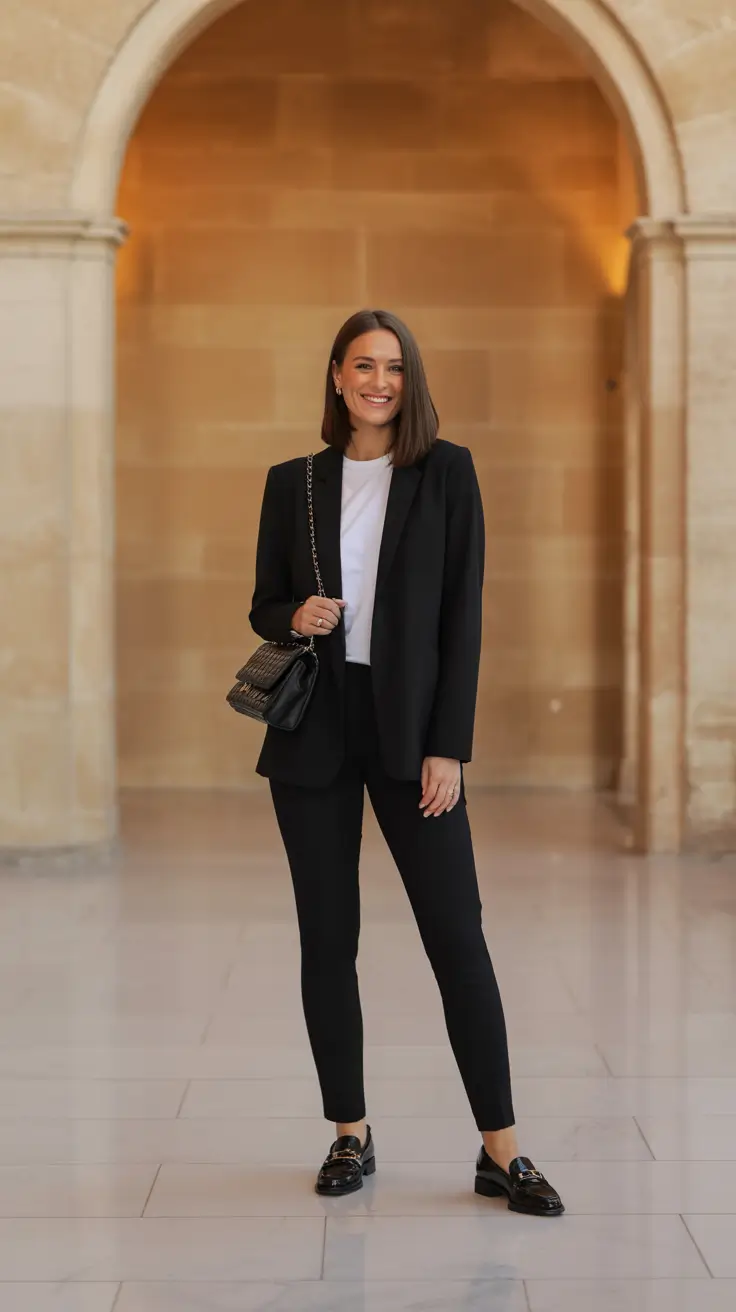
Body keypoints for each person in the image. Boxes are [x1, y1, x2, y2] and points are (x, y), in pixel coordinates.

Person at [249, 309, 564, 1218]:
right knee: (326, 940)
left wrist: (447, 746)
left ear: (409, 377)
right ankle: (349, 1131)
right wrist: (293, 616)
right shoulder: (294, 482)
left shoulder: (445, 472)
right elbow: (264, 602)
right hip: (316, 730)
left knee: (457, 939)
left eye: (393, 366)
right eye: (362, 366)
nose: (378, 381)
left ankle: (501, 1150)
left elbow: (462, 620)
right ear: (337, 377)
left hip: (410, 730)